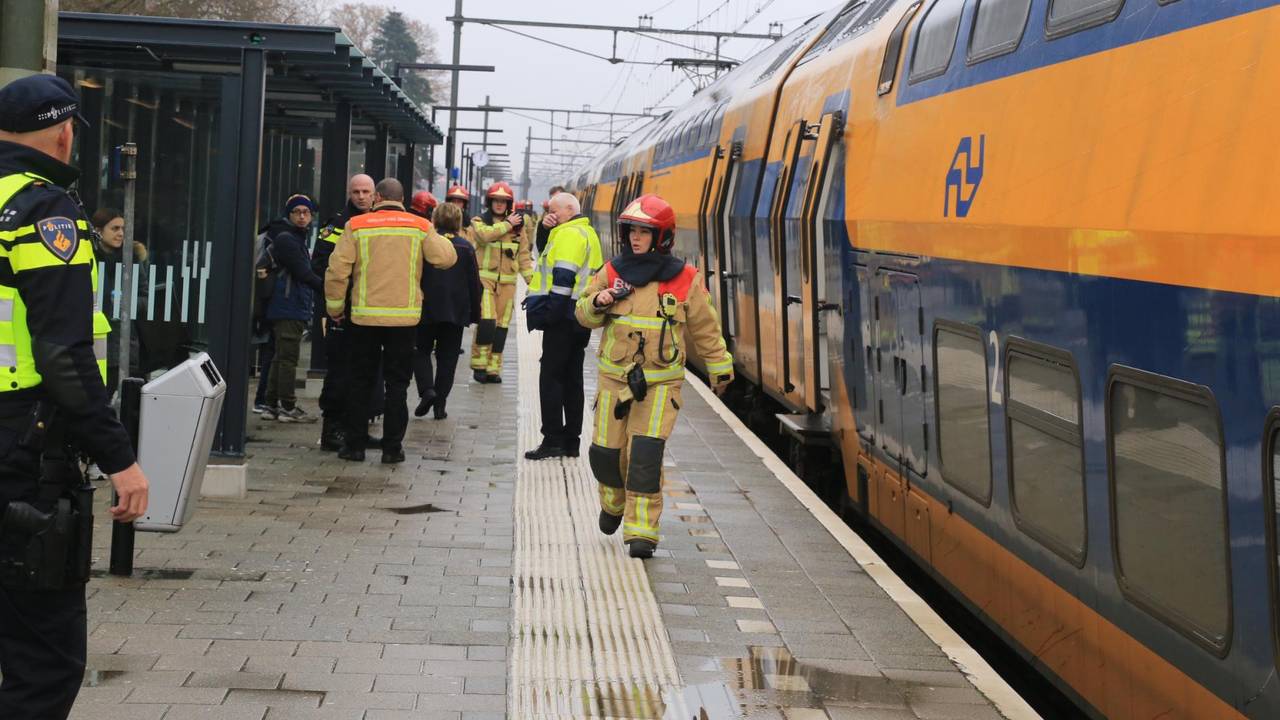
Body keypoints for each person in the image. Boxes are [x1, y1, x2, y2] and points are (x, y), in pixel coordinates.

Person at [0, 73, 149, 719]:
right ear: (64, 133)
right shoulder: (44, 210)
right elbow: (63, 354)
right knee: (45, 657)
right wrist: (121, 459)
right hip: (22, 453)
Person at [576, 194, 733, 558]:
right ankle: (612, 504)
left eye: (644, 232)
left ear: (661, 237)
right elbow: (583, 315)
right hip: (613, 382)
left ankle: (641, 531)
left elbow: (706, 329)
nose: (635, 238)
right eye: (631, 231)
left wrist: (719, 367)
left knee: (644, 456)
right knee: (605, 454)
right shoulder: (611, 272)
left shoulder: (685, 279)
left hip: (660, 384)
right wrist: (597, 303)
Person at [324, 178, 457, 464]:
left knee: (360, 381)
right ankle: (392, 449)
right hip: (404, 321)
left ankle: (355, 446)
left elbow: (336, 271)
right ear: (402, 198)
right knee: (397, 385)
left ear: (378, 197)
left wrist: (335, 308)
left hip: (363, 319)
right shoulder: (419, 226)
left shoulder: (357, 226)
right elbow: (446, 258)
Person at [524, 192, 602, 461]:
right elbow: (547, 253)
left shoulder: (569, 235)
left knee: (551, 378)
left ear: (570, 209)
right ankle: (571, 441)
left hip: (563, 318)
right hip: (579, 318)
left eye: (555, 212)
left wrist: (549, 317)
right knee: (573, 379)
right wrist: (544, 230)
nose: (551, 216)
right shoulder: (586, 232)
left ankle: (552, 438)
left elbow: (563, 279)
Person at [313, 174, 374, 450]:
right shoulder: (337, 224)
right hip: (341, 311)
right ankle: (332, 430)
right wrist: (335, 303)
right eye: (356, 191)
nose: (361, 196)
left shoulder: (377, 222)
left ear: (375, 195)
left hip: (370, 310)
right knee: (339, 372)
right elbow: (320, 265)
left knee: (364, 371)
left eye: (366, 192)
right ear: (349, 193)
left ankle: (356, 430)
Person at [413, 202, 481, 419]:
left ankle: (427, 390)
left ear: (435, 220)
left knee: (420, 351)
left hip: (426, 308)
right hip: (456, 311)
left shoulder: (425, 244)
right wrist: (474, 313)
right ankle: (440, 405)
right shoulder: (466, 246)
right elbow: (474, 283)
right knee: (448, 358)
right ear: (458, 222)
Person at [261, 194, 323, 422]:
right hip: (288, 305)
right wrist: (327, 288)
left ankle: (270, 405)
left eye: (306, 212)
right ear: (289, 214)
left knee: (280, 356)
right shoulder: (288, 239)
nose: (302, 216)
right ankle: (287, 405)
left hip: (288, 304)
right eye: (297, 212)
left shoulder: (295, 238)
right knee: (287, 357)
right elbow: (302, 273)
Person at [468, 181, 532, 384]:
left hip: (508, 285)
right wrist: (507, 225)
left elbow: (523, 257)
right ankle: (479, 365)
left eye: (503, 201)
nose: (499, 204)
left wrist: (533, 283)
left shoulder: (518, 229)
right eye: (496, 200)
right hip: (484, 282)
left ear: (508, 204)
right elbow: (484, 236)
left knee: (502, 328)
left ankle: (493, 369)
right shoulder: (479, 221)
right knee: (487, 322)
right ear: (490, 201)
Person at [89, 208, 147, 397]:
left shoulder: (131, 260)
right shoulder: (88, 259)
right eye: (114, 228)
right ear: (98, 231)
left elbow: (146, 298)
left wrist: (126, 304)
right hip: (94, 343)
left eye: (123, 228)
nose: (121, 233)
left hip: (124, 344)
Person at [535, 185, 566, 255]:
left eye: (559, 199)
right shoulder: (544, 224)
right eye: (553, 200)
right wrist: (545, 229)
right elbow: (541, 248)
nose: (556, 203)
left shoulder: (574, 222)